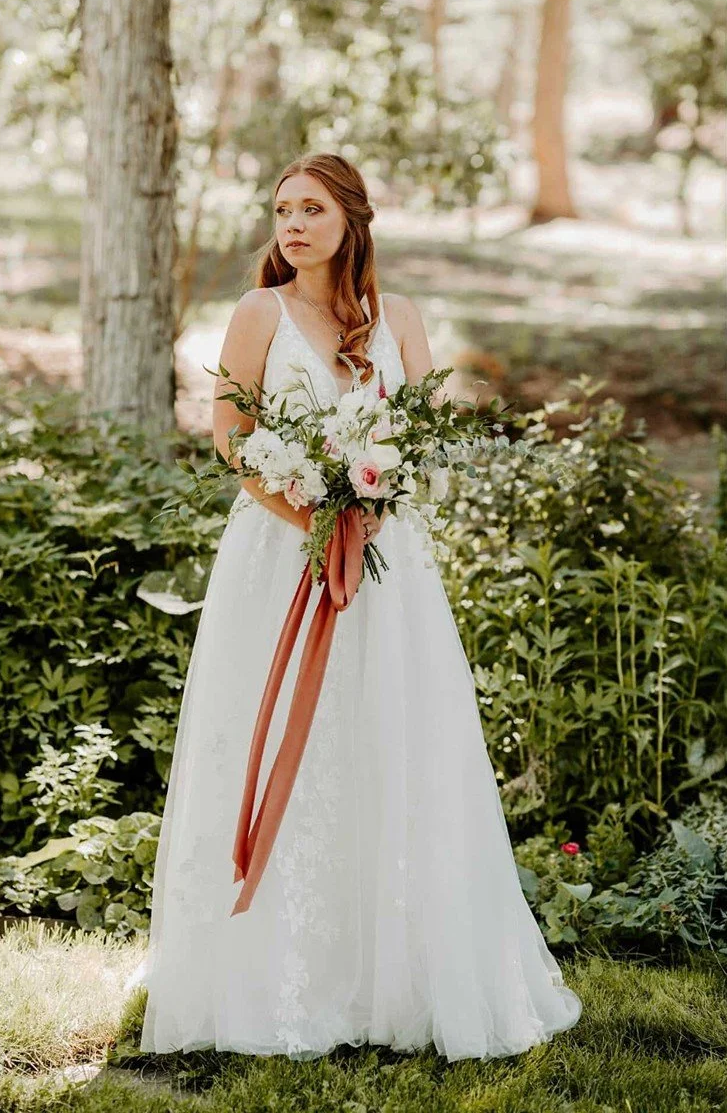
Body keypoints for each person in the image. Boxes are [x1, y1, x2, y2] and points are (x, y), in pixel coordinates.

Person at [136, 152, 582, 1061]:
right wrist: (309, 511)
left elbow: (418, 435)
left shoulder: (401, 319)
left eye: (310, 208)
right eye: (280, 209)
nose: (291, 225)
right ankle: (265, 974)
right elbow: (230, 432)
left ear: (351, 219)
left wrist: (374, 504)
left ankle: (399, 975)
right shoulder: (259, 313)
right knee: (281, 749)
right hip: (278, 552)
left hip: (386, 564)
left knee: (390, 738)